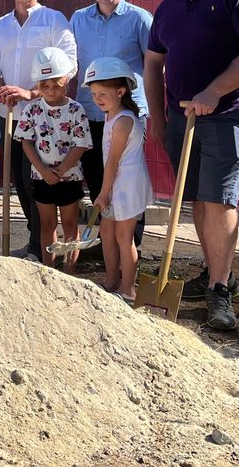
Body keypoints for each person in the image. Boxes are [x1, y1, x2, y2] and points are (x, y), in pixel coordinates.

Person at [144, 0, 239, 330]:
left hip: (226, 115)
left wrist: (214, 91)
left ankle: (219, 290)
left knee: (220, 200)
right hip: (180, 119)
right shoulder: (167, 8)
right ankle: (217, 272)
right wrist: (158, 116)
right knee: (200, 202)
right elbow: (154, 65)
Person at [0, 0, 78, 261]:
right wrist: (0, 90)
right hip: (10, 116)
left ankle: (46, 248)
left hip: (46, 120)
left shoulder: (54, 20)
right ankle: (38, 244)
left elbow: (69, 65)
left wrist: (31, 92)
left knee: (39, 182)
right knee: (21, 183)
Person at [70, 0, 152, 250]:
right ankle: (106, 246)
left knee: (127, 177)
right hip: (90, 111)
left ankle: (131, 245)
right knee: (97, 177)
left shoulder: (139, 19)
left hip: (127, 115)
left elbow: (155, 65)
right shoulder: (79, 19)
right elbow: (71, 62)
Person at [14, 48, 92, 272]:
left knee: (69, 225)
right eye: (44, 86)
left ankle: (69, 270)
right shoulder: (32, 109)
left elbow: (81, 143)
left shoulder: (76, 110)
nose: (50, 91)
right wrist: (42, 170)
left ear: (65, 80)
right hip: (42, 177)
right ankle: (49, 269)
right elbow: (26, 141)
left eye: (56, 85)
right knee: (47, 224)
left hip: (70, 178)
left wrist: (61, 170)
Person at [82, 57, 154, 302]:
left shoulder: (123, 121)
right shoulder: (109, 116)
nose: (97, 99)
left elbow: (113, 161)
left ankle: (128, 289)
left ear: (121, 91)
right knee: (106, 231)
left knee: (124, 237)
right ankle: (111, 282)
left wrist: (103, 193)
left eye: (102, 93)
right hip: (115, 183)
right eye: (93, 94)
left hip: (127, 186)